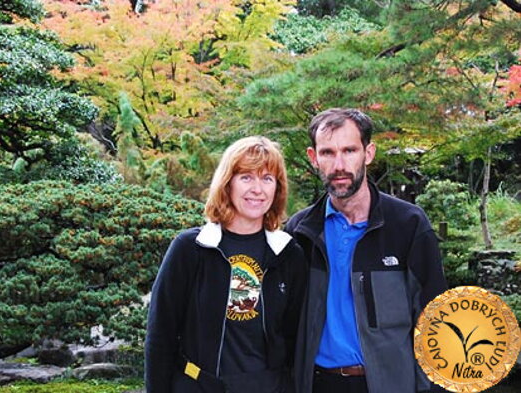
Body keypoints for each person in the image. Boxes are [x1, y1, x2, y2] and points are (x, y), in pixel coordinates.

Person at [285, 108, 448, 393]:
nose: (339, 165)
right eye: (327, 153)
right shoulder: (301, 231)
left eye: (349, 150)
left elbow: (435, 323)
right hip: (317, 383)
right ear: (314, 158)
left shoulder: (408, 225)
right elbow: (283, 325)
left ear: (368, 153)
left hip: (389, 384)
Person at [145, 136, 307, 393]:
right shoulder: (192, 248)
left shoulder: (288, 254)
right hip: (199, 386)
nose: (258, 189)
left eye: (267, 178)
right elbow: (160, 336)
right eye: (246, 177)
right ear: (227, 184)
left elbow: (296, 341)